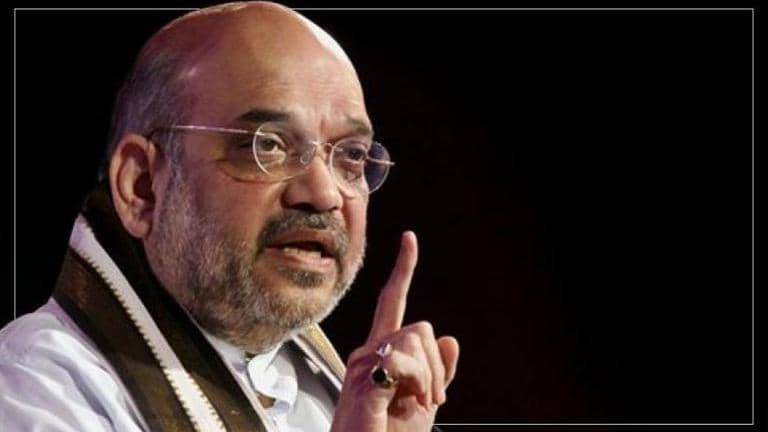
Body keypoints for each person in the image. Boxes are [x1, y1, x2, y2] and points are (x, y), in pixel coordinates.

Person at [0, 2, 459, 431]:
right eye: (267, 145)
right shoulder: (34, 387)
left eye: (352, 155)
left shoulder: (343, 395)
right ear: (142, 186)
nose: (323, 194)